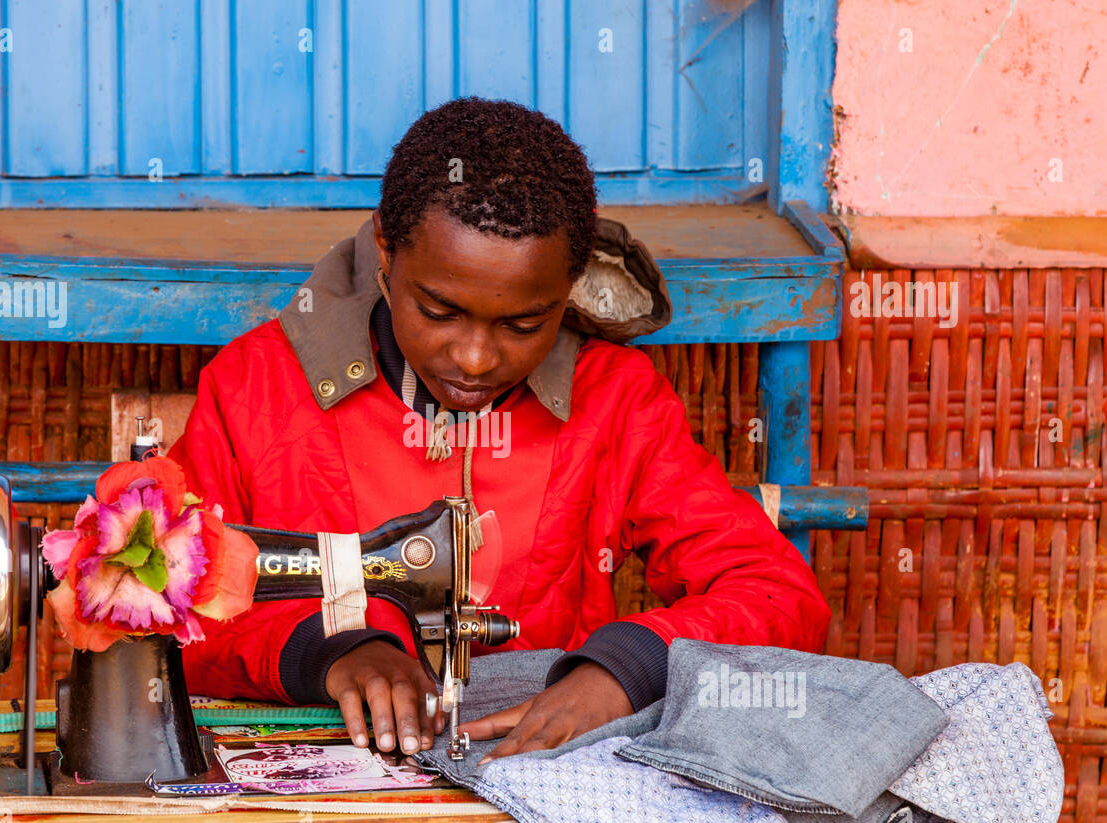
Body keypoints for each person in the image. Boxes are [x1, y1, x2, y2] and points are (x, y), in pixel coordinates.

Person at [166, 96, 831, 763]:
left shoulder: (615, 404)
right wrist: (328, 649)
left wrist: (626, 669)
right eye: (439, 310)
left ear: (568, 287)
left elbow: (775, 594)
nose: (476, 358)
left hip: (530, 767)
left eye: (523, 324)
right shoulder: (259, 389)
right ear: (386, 252)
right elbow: (168, 602)